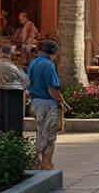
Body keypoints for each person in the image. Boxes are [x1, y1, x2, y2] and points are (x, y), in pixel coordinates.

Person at [27, 40, 68, 170]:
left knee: (40, 131)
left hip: (36, 102)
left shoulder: (33, 63)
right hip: (48, 103)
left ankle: (37, 160)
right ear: (52, 52)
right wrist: (61, 101)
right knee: (50, 133)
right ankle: (46, 162)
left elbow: (29, 82)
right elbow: (52, 88)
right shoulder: (48, 64)